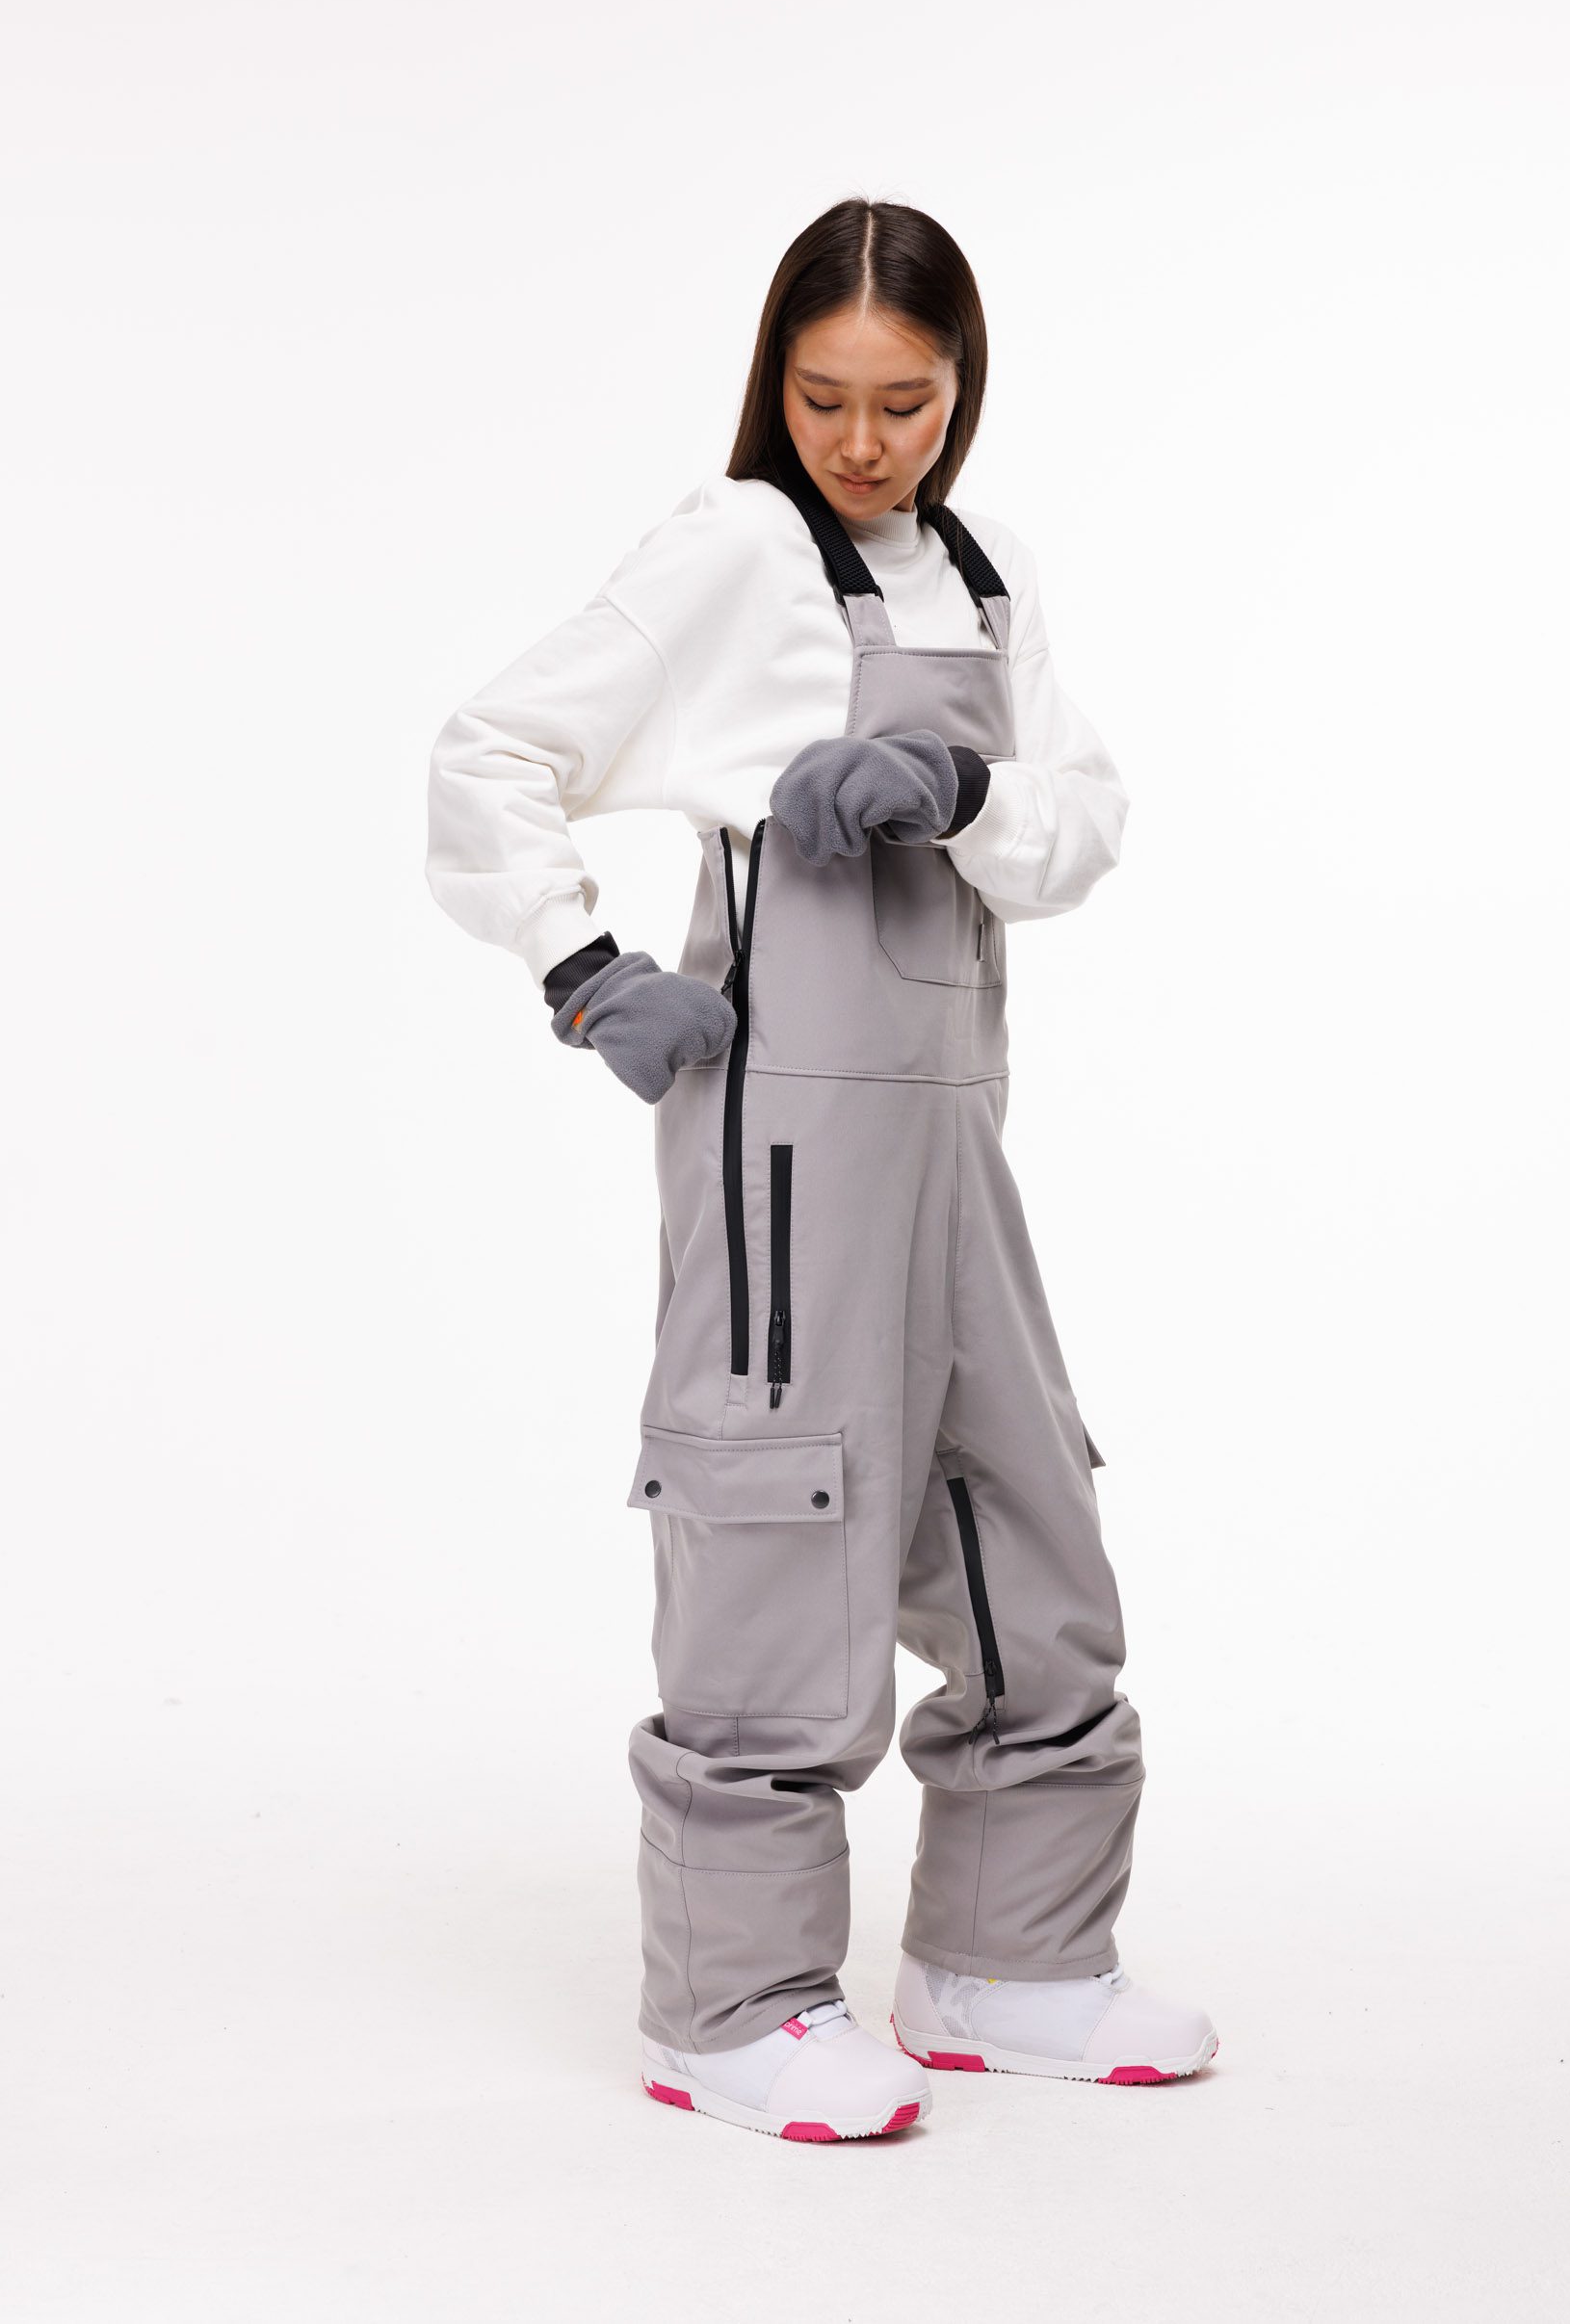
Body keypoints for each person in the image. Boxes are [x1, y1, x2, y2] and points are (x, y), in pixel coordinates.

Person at [425, 197, 1217, 2142]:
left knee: (1022, 1515)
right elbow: (490, 750)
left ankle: (1007, 1961)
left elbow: (1085, 819)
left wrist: (962, 787)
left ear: (963, 391)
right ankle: (733, 2002)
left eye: (907, 403)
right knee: (784, 1518)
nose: (864, 443)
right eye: (824, 397)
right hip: (780, 1132)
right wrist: (585, 971)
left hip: (952, 1129)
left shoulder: (987, 574)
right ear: (774, 385)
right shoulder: (733, 550)